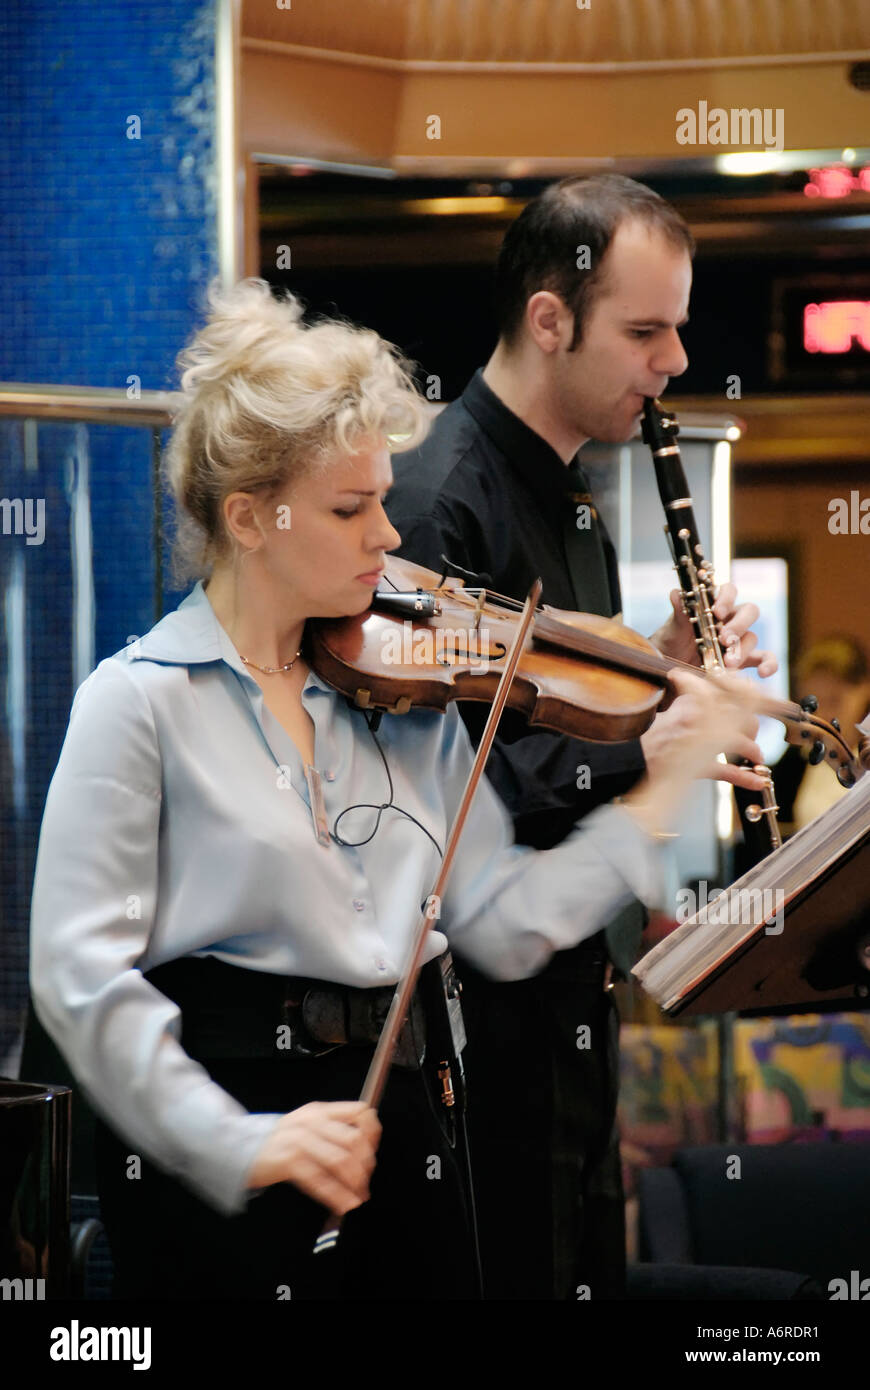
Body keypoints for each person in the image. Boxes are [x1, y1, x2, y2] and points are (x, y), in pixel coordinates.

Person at [29, 278, 764, 1302]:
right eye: (351, 506)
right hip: (229, 1129)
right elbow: (78, 980)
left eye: (385, 495)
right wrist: (237, 1142)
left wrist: (659, 797)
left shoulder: (407, 698)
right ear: (251, 517)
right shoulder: (136, 705)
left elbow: (504, 925)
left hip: (409, 1114)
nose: (389, 535)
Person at [385, 173, 778, 1300]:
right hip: (482, 1018)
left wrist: (665, 669)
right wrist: (656, 749)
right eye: (645, 332)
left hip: (573, 999)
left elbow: (567, 705)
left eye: (680, 331)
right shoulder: (437, 501)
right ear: (550, 320)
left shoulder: (576, 503)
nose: (672, 364)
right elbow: (461, 776)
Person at [773, 635, 870, 834]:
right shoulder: (794, 762)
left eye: (834, 701)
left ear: (864, 690)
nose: (824, 716)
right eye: (815, 706)